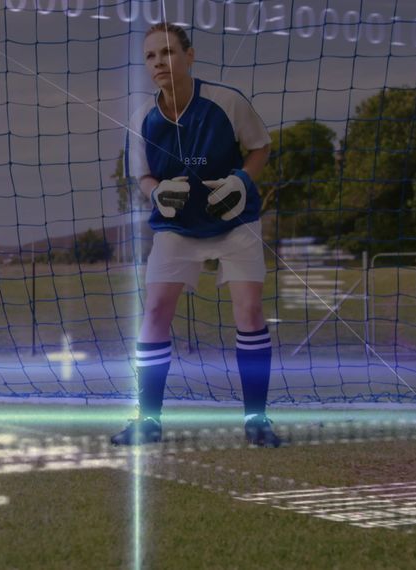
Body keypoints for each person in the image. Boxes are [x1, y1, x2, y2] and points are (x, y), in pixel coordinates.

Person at [111, 22, 280, 447]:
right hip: (177, 226)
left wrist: (242, 180)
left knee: (250, 311)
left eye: (168, 52)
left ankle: (256, 420)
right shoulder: (142, 119)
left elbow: (260, 146)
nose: (159, 62)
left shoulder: (227, 102)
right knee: (154, 312)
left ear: (189, 56)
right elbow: (143, 177)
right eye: (151, 56)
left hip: (235, 219)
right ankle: (148, 421)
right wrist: (157, 193)